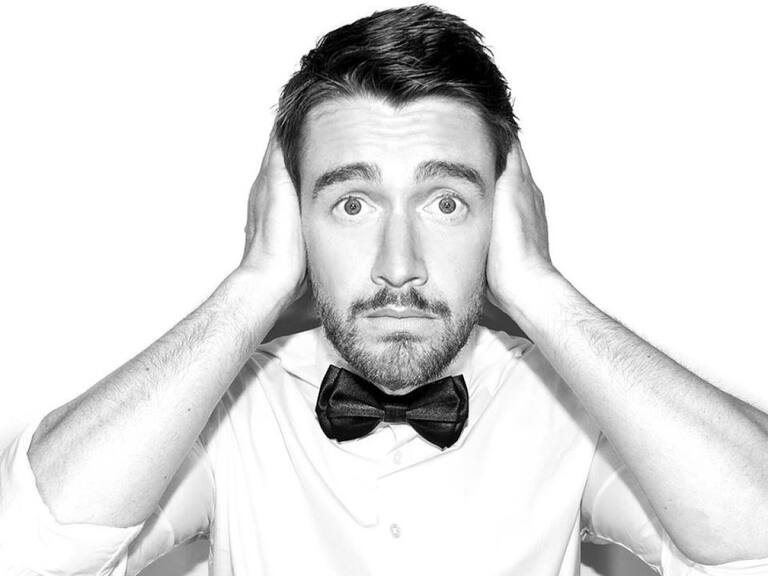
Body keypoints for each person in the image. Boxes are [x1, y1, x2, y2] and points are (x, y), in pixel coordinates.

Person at [1, 5, 767, 575]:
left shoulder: (567, 406)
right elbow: (25, 551)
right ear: (292, 217)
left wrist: (541, 289)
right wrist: (253, 284)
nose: (398, 267)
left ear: (505, 217)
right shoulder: (230, 409)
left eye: (446, 203)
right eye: (352, 204)